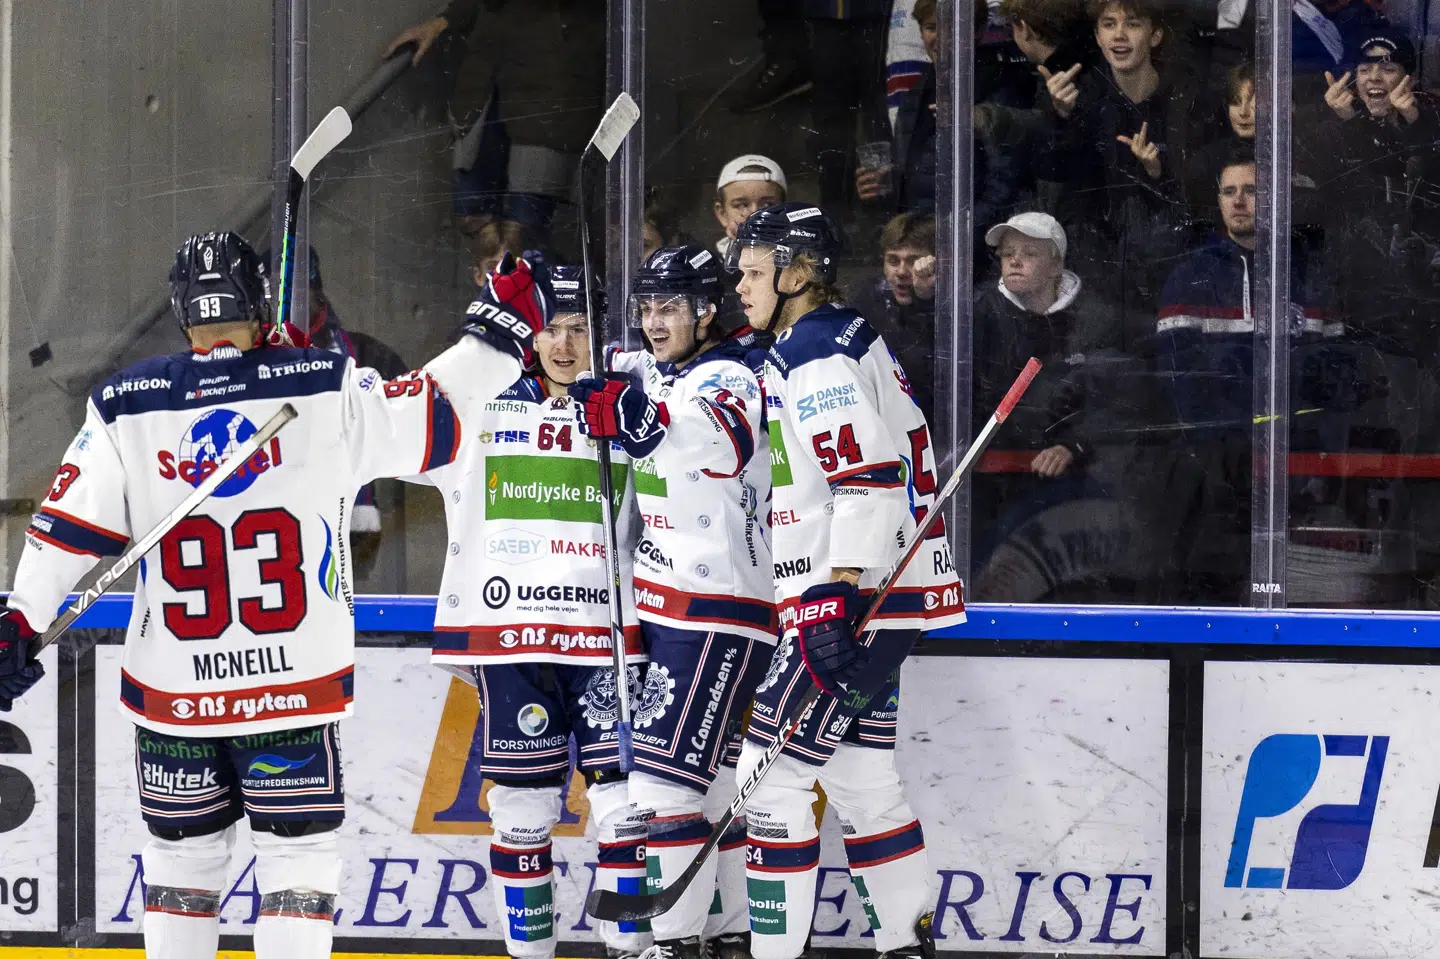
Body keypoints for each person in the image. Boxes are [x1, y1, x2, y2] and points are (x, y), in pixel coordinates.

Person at [0, 232, 542, 958]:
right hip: (292, 692)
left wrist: (19, 621)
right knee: (298, 869)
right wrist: (501, 330)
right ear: (259, 302)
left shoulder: (129, 403)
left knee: (180, 872)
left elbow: (63, 531)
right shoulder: (322, 384)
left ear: (180, 310)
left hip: (176, 699)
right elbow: (438, 416)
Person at [726, 203, 964, 959]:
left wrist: (837, 590)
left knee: (768, 782)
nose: (740, 283)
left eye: (755, 269)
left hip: (854, 596)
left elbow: (867, 477)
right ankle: (904, 944)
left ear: (798, 274)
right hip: (880, 595)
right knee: (861, 779)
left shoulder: (817, 350)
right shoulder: (833, 338)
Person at [416, 262, 649, 959]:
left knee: (623, 804)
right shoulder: (480, 401)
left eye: (581, 328)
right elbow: (410, 411)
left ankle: (628, 946)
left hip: (604, 636)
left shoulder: (627, 402)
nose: (565, 343)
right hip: (510, 636)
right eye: (551, 326)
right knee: (520, 811)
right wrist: (480, 332)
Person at [569, 245, 774, 959]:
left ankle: (678, 944)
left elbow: (716, 440)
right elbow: (608, 378)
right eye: (647, 308)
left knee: (663, 787)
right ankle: (728, 934)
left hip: (717, 607)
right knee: (708, 784)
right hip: (667, 608)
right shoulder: (658, 371)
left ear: (707, 310)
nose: (655, 323)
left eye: (671, 308)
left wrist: (637, 416)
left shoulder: (735, 375)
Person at [1156, 153, 1339, 602]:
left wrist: (1315, 454)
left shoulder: (1309, 275)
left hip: (1297, 474)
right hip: (1216, 481)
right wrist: (1220, 458)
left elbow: (1333, 375)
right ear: (1217, 202)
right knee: (1212, 594)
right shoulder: (1192, 276)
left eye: (1253, 190)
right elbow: (1179, 379)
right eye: (1229, 191)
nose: (1240, 201)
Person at [384, 0, 605, 250]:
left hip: (551, 90)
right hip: (488, 85)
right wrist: (442, 22)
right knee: (480, 227)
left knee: (523, 234)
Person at [260, 245, 411, 581]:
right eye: (275, 303)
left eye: (301, 296)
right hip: (263, 535)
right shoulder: (241, 369)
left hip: (351, 538)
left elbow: (411, 439)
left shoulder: (368, 355)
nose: (286, 312)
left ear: (319, 294)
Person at [1036, 0, 1186, 332]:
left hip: (1167, 268)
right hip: (1098, 274)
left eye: (1132, 24)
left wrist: (1158, 175)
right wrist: (1060, 117)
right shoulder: (1078, 98)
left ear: (1155, 35)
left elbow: (1198, 197)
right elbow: (1056, 177)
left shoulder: (1183, 100)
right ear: (1097, 36)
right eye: (1108, 24)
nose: (1119, 35)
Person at [850, 213, 938, 425]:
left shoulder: (956, 305)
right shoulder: (865, 298)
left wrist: (924, 300)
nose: (901, 272)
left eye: (913, 261)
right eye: (892, 261)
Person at [713, 155, 788, 259]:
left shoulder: (797, 259)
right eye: (741, 205)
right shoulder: (710, 265)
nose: (754, 214)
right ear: (722, 214)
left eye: (767, 205)